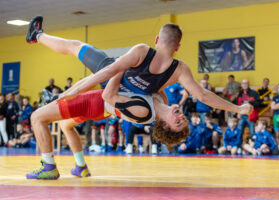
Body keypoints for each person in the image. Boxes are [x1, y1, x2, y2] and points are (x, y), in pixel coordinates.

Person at [26, 16, 252, 128]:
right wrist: (237, 108)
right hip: (116, 95)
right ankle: (37, 37)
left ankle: (37, 36)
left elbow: (106, 72)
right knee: (91, 68)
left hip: (111, 80)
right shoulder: (179, 69)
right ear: (178, 47)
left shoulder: (143, 51)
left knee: (75, 47)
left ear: (157, 40)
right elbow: (203, 96)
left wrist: (70, 91)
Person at [26, 71, 189, 180]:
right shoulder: (158, 108)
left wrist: (119, 67)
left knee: (37, 117)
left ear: (166, 126)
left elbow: (114, 91)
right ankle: (80, 166)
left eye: (179, 121)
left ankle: (48, 166)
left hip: (97, 102)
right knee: (66, 126)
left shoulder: (149, 111)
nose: (181, 115)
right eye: (183, 118)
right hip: (101, 110)